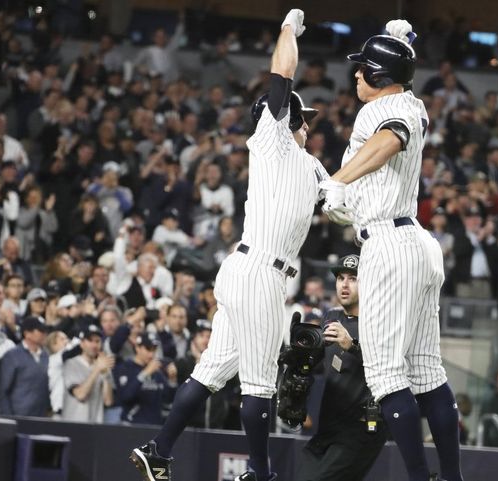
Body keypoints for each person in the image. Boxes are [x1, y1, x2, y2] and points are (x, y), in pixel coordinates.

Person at [130, 10, 328, 481]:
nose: (308, 127)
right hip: (257, 269)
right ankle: (261, 474)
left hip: (257, 272)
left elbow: (342, 194)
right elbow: (281, 75)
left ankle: (158, 448)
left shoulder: (311, 165)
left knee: (213, 370)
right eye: (304, 120)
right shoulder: (272, 141)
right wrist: (285, 31)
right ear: (286, 120)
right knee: (259, 383)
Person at [320, 20, 462, 481]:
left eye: (362, 69)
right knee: (427, 372)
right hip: (416, 241)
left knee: (385, 375)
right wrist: (399, 39)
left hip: (388, 243)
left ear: (379, 75)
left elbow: (391, 137)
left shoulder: (381, 111)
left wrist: (337, 181)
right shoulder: (411, 101)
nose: (355, 76)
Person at [295, 254, 387, 481]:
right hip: (328, 426)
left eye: (353, 278)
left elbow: (389, 367)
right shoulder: (332, 316)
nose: (344, 284)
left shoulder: (380, 321)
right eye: (340, 278)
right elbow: (320, 362)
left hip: (360, 429)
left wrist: (352, 345)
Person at [114, 332, 177, 425]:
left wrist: (172, 380)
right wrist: (145, 373)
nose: (151, 354)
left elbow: (168, 400)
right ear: (137, 347)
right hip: (131, 425)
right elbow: (125, 396)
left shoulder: (157, 371)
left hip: (154, 426)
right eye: (148, 349)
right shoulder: (125, 368)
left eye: (154, 349)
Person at [0, 317, 50, 417]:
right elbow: (2, 390)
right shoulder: (12, 356)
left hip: (41, 416)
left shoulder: (45, 355)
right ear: (27, 333)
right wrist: (8, 417)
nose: (44, 334)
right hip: (19, 415)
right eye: (40, 331)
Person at [62, 324, 116, 423]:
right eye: (90, 341)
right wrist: (97, 369)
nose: (94, 345)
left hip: (95, 425)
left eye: (97, 341)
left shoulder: (103, 366)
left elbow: (108, 401)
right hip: (73, 424)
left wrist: (105, 374)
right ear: (82, 343)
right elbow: (80, 395)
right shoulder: (71, 364)